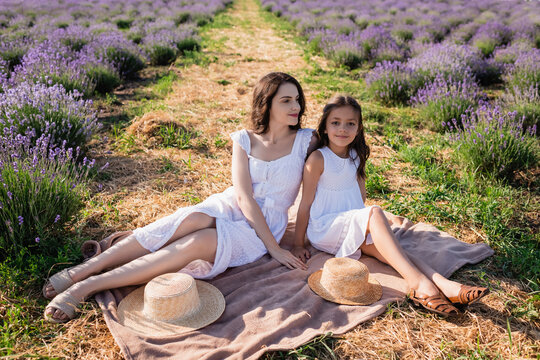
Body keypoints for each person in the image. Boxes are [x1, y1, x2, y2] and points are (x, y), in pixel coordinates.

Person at [44, 72, 316, 322]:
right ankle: (85, 269)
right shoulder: (244, 139)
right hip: (233, 204)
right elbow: (244, 196)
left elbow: (341, 150)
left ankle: (86, 286)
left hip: (264, 228)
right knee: (189, 219)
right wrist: (277, 250)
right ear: (266, 104)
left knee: (197, 242)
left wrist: (275, 247)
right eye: (287, 101)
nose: (297, 107)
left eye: (297, 100)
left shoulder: (306, 140)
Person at [291, 95, 489, 316]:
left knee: (397, 253)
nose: (342, 129)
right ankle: (420, 285)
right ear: (325, 127)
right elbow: (305, 203)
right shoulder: (318, 159)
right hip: (325, 228)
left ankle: (445, 285)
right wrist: (299, 244)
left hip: (351, 224)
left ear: (358, 128)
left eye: (350, 123)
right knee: (375, 212)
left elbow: (360, 197)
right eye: (335, 122)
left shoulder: (356, 156)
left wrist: (371, 226)